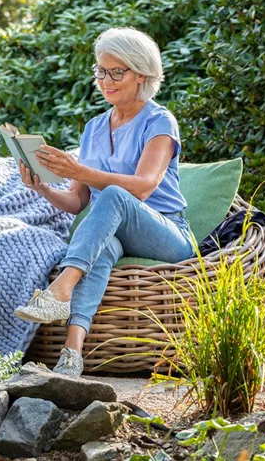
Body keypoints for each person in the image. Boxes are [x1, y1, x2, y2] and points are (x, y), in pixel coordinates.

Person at [14, 27, 195, 377]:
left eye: (116, 72)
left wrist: (78, 168)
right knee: (103, 246)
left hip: (167, 233)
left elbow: (142, 188)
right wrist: (42, 187)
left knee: (113, 195)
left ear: (141, 74)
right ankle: (72, 353)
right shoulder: (94, 129)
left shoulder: (159, 121)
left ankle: (60, 289)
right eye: (101, 70)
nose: (106, 80)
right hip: (114, 229)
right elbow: (77, 201)